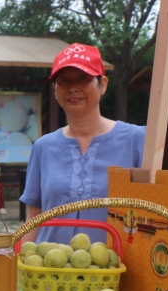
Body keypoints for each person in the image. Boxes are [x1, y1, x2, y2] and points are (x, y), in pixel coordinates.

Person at [19, 42, 145, 244]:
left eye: (83, 79)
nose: (73, 88)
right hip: (50, 270)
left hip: (116, 271)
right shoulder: (43, 147)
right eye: (63, 81)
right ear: (55, 89)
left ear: (102, 84)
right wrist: (18, 262)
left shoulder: (138, 139)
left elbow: (156, 217)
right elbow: (34, 217)